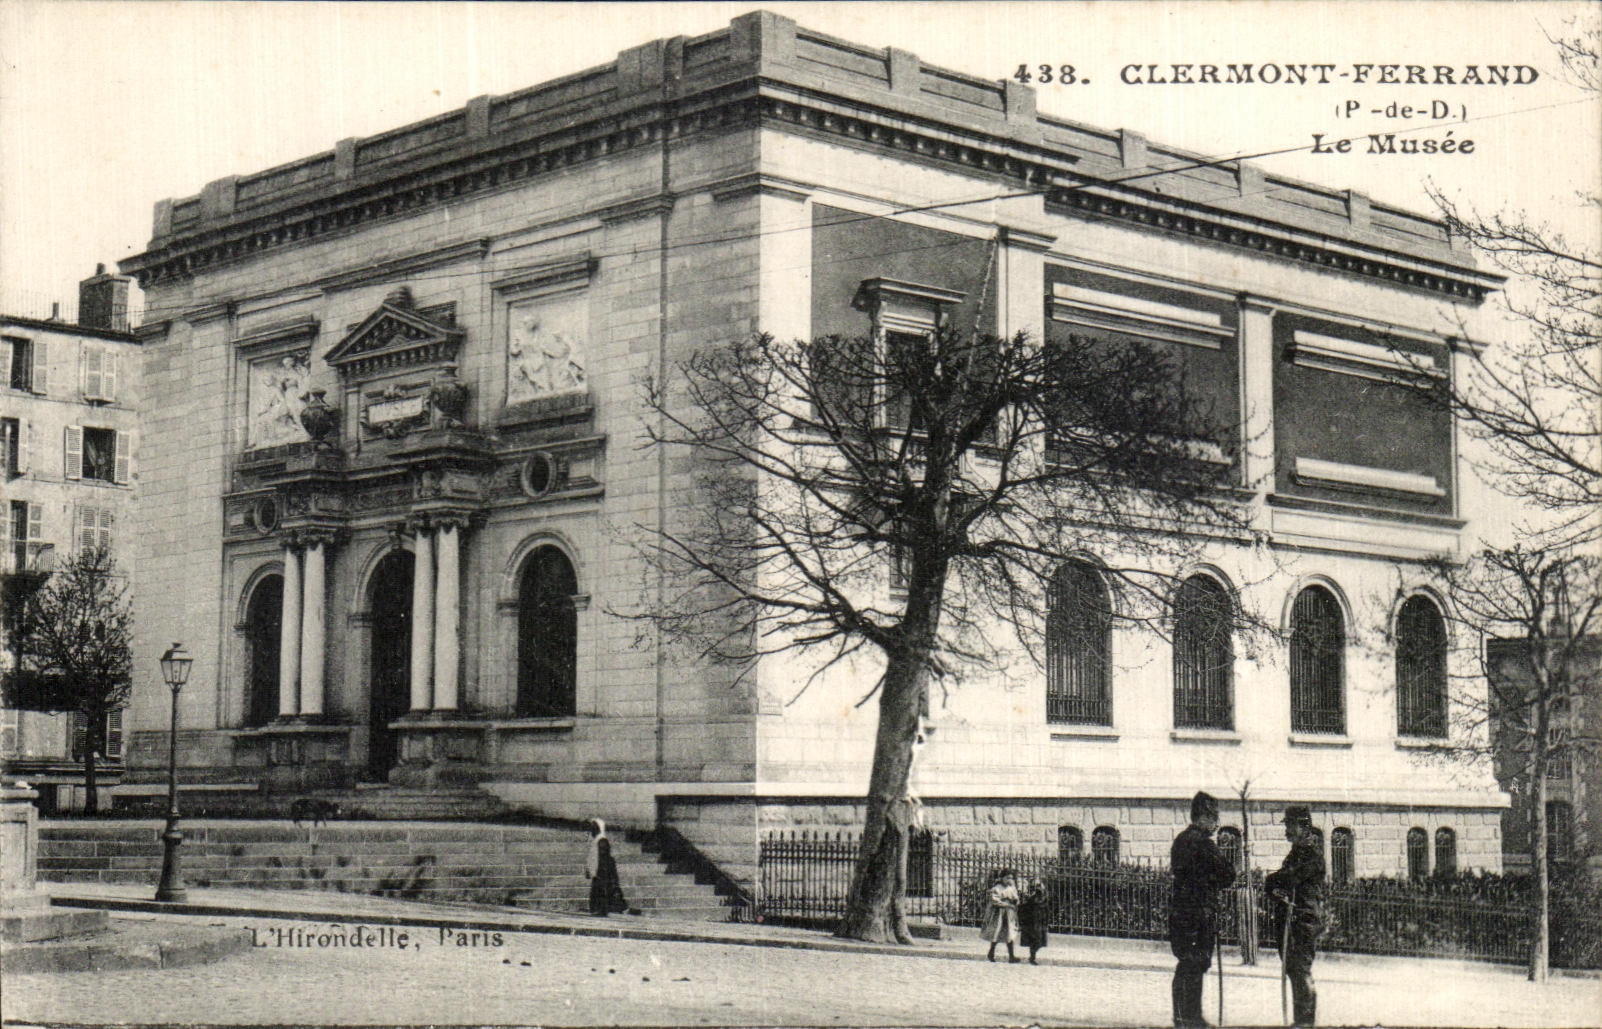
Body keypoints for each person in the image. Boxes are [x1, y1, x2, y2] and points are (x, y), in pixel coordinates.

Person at [1168, 791, 1236, 1028]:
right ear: (1203, 817)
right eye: (1213, 818)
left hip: (1180, 913)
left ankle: (1181, 1018)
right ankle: (1192, 1019)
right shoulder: (1205, 845)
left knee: (1185, 964)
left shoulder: (1180, 840)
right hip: (1200, 915)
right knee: (1196, 965)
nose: (1216, 824)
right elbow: (1228, 875)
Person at [1266, 804, 1325, 1028]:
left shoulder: (1312, 855)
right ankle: (1300, 1020)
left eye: (1290, 825)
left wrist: (1273, 881)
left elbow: (1289, 878)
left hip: (1303, 919)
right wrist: (1274, 885)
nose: (1287, 830)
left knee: (1300, 969)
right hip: (1291, 919)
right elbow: (1278, 884)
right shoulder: (1296, 853)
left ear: (1303, 827)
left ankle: (1305, 1022)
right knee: (1292, 969)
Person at [981, 869, 1021, 963]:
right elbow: (995, 901)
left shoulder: (1012, 888)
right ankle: (991, 952)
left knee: (1010, 934)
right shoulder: (997, 888)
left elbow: (1016, 898)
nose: (1009, 880)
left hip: (1009, 914)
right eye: (1007, 878)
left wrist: (1015, 902)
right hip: (999, 914)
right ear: (1002, 878)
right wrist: (1006, 904)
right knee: (997, 932)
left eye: (1011, 878)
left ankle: (1011, 956)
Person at [588, 835, 629, 917]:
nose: (602, 851)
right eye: (601, 849)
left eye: (604, 848)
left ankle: (613, 907)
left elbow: (613, 874)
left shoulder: (609, 860)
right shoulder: (598, 860)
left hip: (608, 882)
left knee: (610, 891)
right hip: (601, 881)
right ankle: (600, 907)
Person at [1017, 876, 1050, 965]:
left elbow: (1046, 909)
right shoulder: (1032, 898)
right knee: (1034, 940)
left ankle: (1032, 956)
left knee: (1039, 941)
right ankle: (1032, 957)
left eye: (1040, 886)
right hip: (1032, 922)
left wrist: (1046, 921)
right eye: (1037, 886)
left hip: (1040, 921)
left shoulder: (1044, 898)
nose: (1039, 888)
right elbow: (1025, 907)